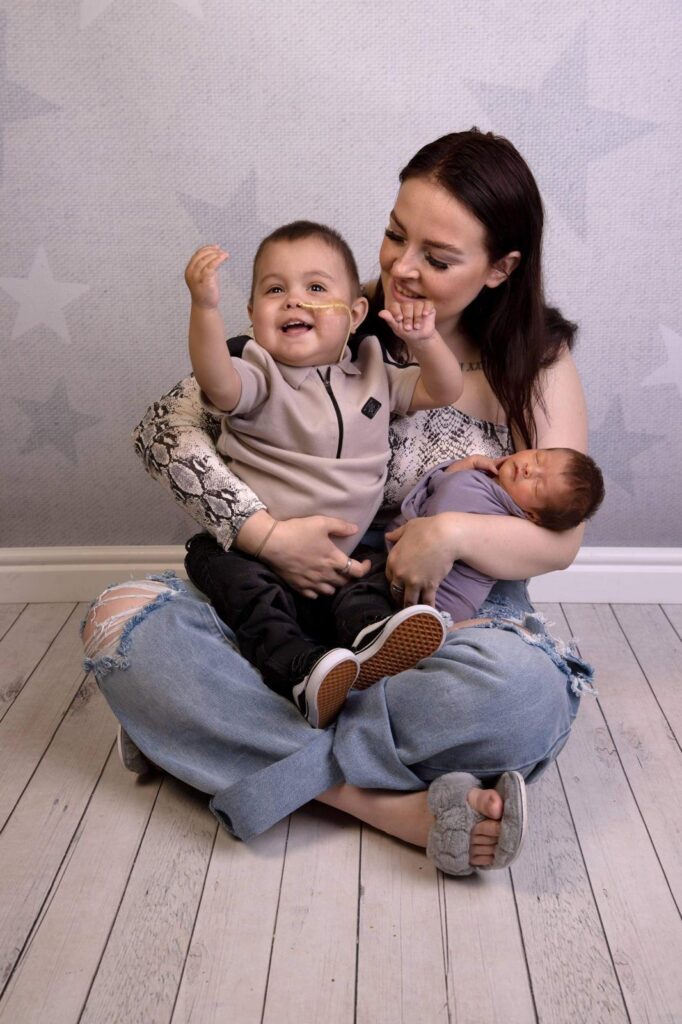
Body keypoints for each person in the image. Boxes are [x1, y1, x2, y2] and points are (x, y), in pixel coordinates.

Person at [82, 128, 595, 877]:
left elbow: (562, 541)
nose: (402, 269)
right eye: (394, 235)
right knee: (117, 629)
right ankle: (385, 803)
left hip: (432, 626)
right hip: (281, 604)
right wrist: (264, 536)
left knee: (521, 698)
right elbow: (164, 430)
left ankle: (214, 743)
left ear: (500, 269)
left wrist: (448, 532)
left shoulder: (536, 365)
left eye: (438, 258)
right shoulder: (330, 314)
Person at [184, 220, 463, 727]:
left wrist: (424, 341)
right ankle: (303, 671)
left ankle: (374, 641)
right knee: (234, 581)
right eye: (275, 290)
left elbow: (444, 389)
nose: (294, 301)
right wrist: (204, 310)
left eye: (315, 288)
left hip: (345, 559)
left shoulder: (375, 371)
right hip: (259, 555)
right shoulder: (258, 374)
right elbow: (216, 382)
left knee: (372, 579)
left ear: (355, 314)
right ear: (252, 316)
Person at [368, 446, 604, 623]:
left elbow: (436, 516)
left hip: (427, 601)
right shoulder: (485, 482)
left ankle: (372, 644)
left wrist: (460, 478)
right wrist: (464, 466)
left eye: (537, 485)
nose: (529, 469)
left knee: (364, 606)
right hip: (398, 572)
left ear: (533, 516)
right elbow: (437, 490)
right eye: (538, 458)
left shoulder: (502, 517)